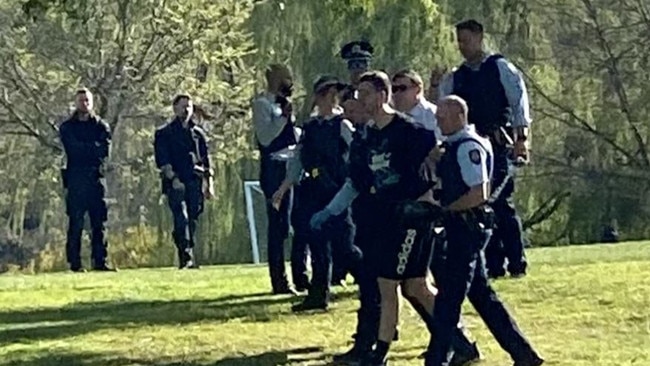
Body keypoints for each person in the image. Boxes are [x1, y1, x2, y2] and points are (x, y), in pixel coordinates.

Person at [310, 72, 474, 366]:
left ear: (383, 95)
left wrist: (430, 201)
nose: (362, 100)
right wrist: (331, 211)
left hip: (412, 221)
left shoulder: (410, 132)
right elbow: (356, 182)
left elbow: (438, 165)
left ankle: (380, 353)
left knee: (389, 285)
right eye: (359, 94)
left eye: (367, 93)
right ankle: (460, 341)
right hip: (383, 221)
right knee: (416, 289)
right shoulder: (366, 138)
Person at [425, 95, 543, 366]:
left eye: (443, 117)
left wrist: (446, 209)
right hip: (460, 227)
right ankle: (524, 354)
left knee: (448, 301)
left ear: (459, 116)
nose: (438, 121)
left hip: (467, 227)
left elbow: (479, 193)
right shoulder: (452, 146)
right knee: (482, 295)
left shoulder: (469, 147)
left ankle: (437, 360)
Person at [439, 19, 532, 278]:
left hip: (498, 143)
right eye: (459, 41)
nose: (462, 46)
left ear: (479, 37)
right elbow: (443, 108)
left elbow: (518, 103)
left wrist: (521, 138)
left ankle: (516, 262)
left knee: (500, 202)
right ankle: (492, 264)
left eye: (466, 40)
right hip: (468, 148)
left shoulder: (500, 68)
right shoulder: (456, 77)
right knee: (477, 204)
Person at [273, 75, 360, 311]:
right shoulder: (310, 128)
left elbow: (356, 154)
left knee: (345, 245)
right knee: (316, 242)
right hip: (313, 190)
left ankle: (371, 283)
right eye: (325, 93)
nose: (329, 98)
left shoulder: (342, 125)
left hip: (337, 190)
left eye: (333, 93)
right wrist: (284, 187)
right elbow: (299, 161)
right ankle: (318, 294)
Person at [251, 64, 301, 295]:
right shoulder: (262, 104)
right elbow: (266, 137)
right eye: (286, 78)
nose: (289, 82)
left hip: (292, 165)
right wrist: (284, 118)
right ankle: (279, 280)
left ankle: (301, 275)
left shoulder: (286, 104)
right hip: (274, 168)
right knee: (278, 225)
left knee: (294, 222)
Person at [154, 94, 214, 269]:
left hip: (195, 181)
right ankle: (185, 256)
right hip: (176, 181)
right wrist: (173, 178)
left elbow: (206, 161)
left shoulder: (198, 133)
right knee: (181, 217)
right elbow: (163, 160)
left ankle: (189, 251)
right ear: (174, 108)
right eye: (182, 106)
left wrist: (209, 185)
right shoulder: (164, 133)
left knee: (193, 218)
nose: (186, 109)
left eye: (189, 106)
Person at [59, 88, 114, 273]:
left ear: (92, 102)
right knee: (76, 222)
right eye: (81, 100)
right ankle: (75, 264)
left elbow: (104, 152)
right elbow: (72, 150)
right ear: (76, 102)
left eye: (88, 100)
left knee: (100, 222)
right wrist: (91, 148)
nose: (85, 103)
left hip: (96, 179)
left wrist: (87, 150)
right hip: (75, 180)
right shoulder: (67, 127)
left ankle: (101, 262)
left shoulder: (101, 126)